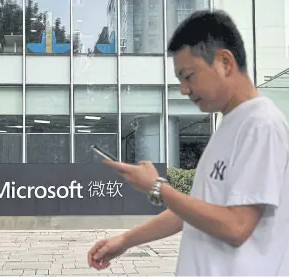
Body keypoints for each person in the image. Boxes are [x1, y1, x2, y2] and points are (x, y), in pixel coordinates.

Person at [87, 9, 289, 276]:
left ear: (225, 62)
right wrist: (125, 241)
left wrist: (158, 187)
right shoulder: (230, 125)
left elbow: (237, 226)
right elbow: (191, 212)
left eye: (189, 75)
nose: (184, 89)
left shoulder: (261, 125)